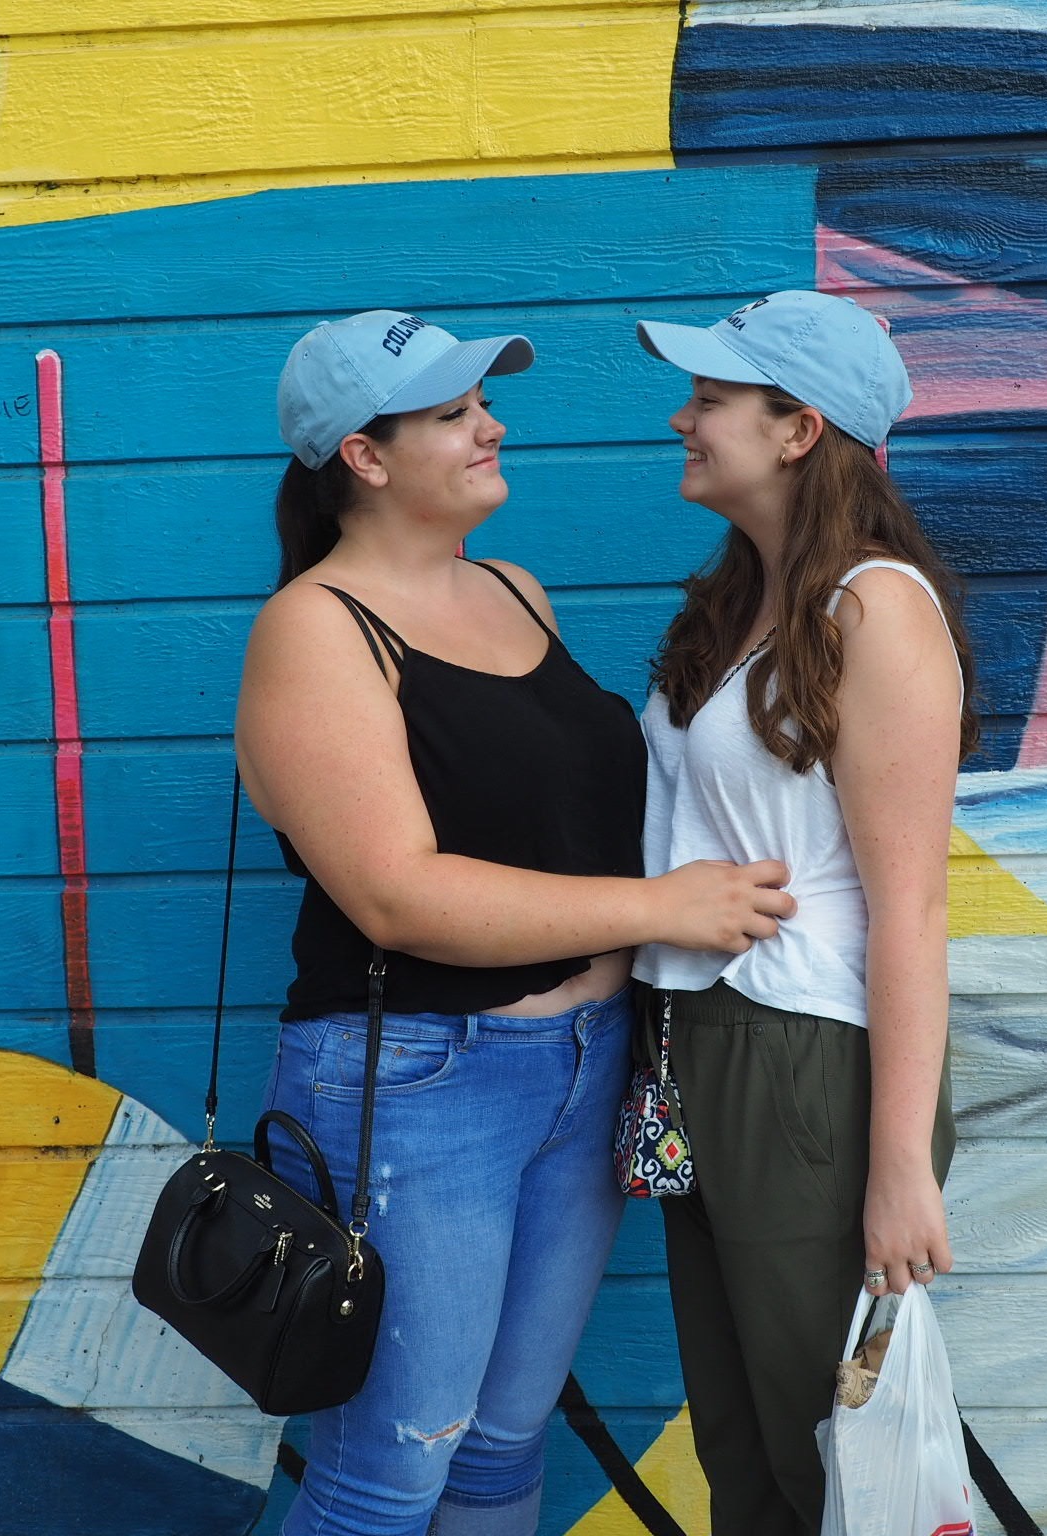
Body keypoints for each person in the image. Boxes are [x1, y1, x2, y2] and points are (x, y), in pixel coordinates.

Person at [234, 310, 796, 1536]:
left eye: (481, 402)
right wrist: (660, 911)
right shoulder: (316, 633)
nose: (492, 425)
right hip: (421, 1087)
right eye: (452, 413)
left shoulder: (511, 591)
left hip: (586, 1070)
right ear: (364, 459)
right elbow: (398, 893)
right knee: (388, 1475)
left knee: (498, 1450)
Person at [631, 289, 978, 1535]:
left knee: (823, 1453)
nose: (683, 416)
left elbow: (913, 908)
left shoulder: (871, 609)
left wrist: (898, 1165)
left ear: (795, 429)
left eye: (710, 398)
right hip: (698, 1045)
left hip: (807, 1061)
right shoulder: (737, 607)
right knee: (741, 1448)